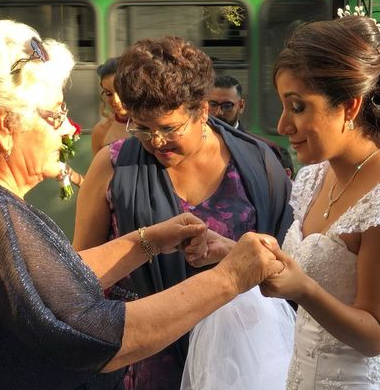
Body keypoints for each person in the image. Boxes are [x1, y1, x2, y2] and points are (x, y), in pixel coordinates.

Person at [0, 20, 285, 390]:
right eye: (55, 114)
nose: (70, 129)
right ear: (4, 125)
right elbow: (96, 333)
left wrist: (144, 242)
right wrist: (229, 277)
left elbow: (52, 284)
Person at [185, 15, 380, 389]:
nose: (284, 125)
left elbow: (376, 334)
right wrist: (231, 252)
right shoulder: (317, 176)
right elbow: (300, 269)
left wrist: (302, 289)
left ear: (350, 107)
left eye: (298, 107)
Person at [73, 35, 293, 390]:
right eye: (142, 128)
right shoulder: (112, 166)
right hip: (144, 358)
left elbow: (288, 262)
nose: (156, 141)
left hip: (238, 359)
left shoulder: (258, 164)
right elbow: (82, 272)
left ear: (203, 110)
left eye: (168, 128)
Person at [208, 74, 294, 177]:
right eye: (213, 104)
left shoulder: (264, 151)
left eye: (227, 106)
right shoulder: (192, 146)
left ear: (241, 106)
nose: (219, 112)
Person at [91, 58, 129, 155]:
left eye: (120, 91)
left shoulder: (150, 126)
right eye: (109, 93)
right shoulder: (100, 130)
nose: (116, 100)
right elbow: (96, 170)